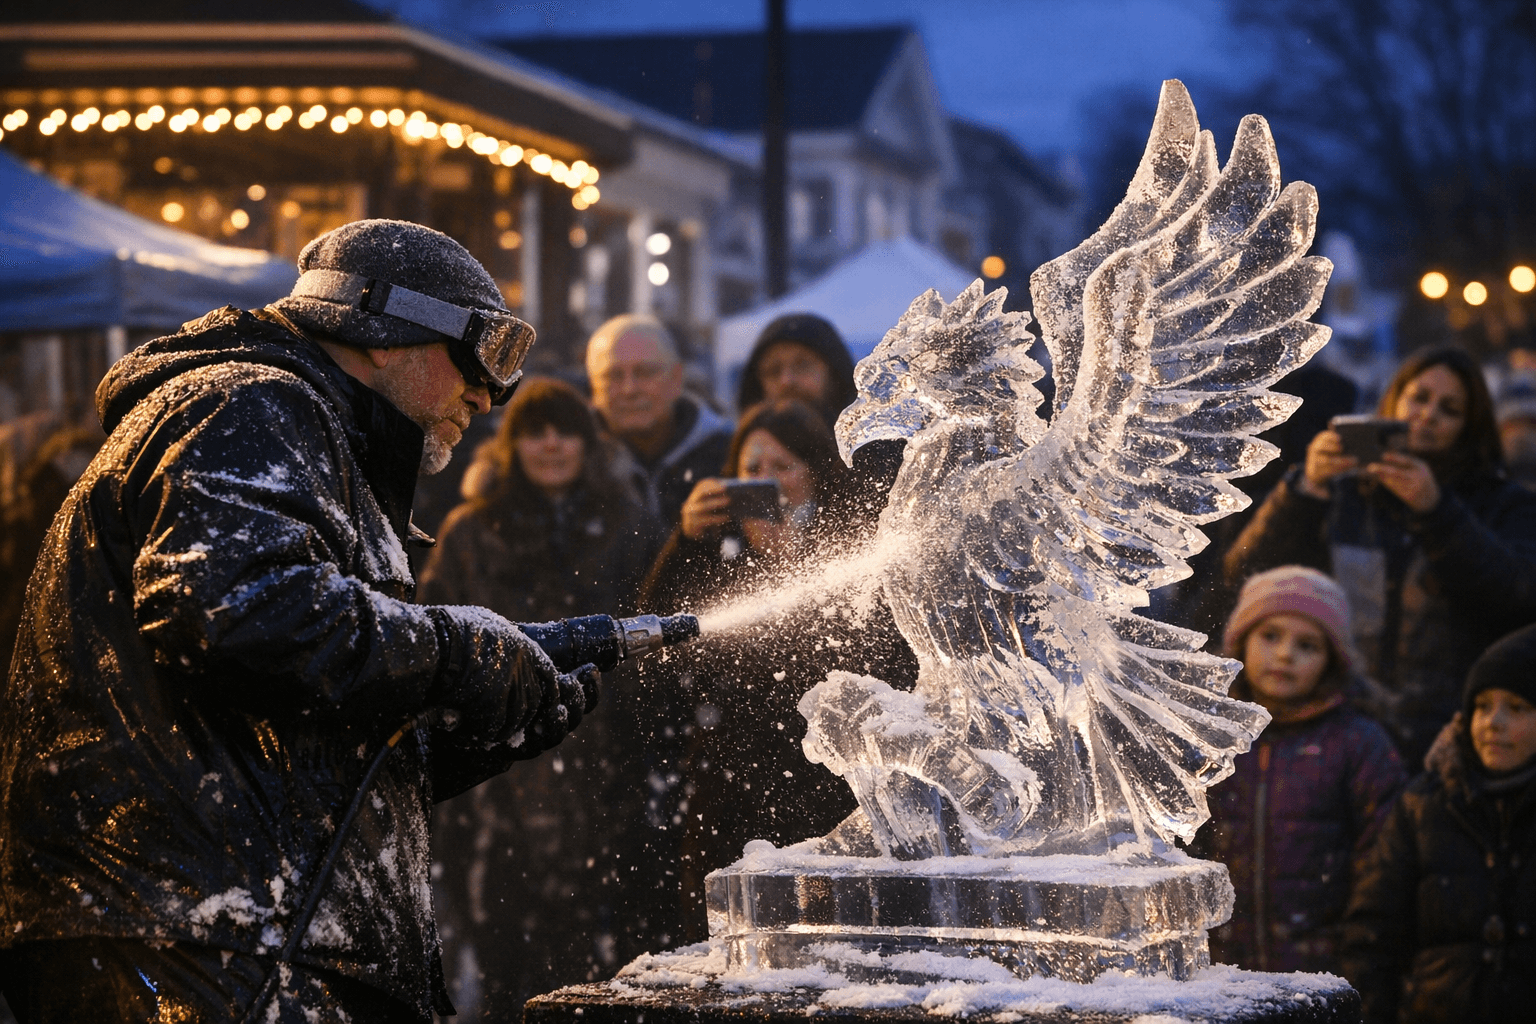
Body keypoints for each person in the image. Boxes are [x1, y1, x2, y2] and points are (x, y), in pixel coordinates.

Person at [0, 220, 600, 1023]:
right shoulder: (249, 404)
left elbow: (286, 730)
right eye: (478, 357)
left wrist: (473, 730)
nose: (488, 398)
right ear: (380, 332)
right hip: (195, 937)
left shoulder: (307, 437)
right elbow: (229, 611)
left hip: (229, 937)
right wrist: (461, 650)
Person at [416, 377, 668, 1018]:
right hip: (496, 773)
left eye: (565, 430)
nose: (551, 444)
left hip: (607, 762)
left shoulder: (629, 523)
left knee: (601, 957)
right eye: (535, 430)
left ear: (589, 441)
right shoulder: (471, 531)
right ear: (513, 445)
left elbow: (656, 624)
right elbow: (433, 633)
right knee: (502, 944)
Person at [640, 400, 918, 939]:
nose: (765, 482)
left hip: (829, 791)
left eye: (782, 467)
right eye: (750, 470)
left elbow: (873, 662)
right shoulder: (715, 554)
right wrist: (683, 542)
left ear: (816, 474)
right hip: (731, 792)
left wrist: (796, 561)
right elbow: (657, 659)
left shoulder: (850, 550)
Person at [1224, 345, 1536, 767]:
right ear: (1394, 400)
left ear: (1470, 425)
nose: (1427, 416)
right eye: (1419, 398)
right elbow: (1247, 575)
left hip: (1450, 738)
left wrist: (1437, 512)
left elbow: (1513, 598)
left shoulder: (1503, 505)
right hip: (1338, 732)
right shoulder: (1345, 493)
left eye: (1449, 409)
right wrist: (1305, 491)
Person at [1196, 566, 1404, 974]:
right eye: (1270, 636)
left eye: (1307, 645)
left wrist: (1361, 961)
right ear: (1241, 641)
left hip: (1320, 970)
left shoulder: (1358, 743)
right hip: (1217, 969)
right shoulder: (1210, 735)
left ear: (1331, 662)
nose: (1286, 654)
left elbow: (1383, 864)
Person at [1343, 622, 1536, 1024]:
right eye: (1482, 706)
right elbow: (1374, 936)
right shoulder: (1424, 806)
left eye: (1517, 708)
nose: (1493, 722)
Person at [585, 314, 732, 527]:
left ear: (676, 378)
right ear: (593, 389)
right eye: (613, 376)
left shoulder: (730, 455)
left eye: (644, 372)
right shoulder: (570, 462)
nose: (630, 389)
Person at [735, 313, 857, 424]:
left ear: (834, 373)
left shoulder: (869, 445)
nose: (786, 381)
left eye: (803, 365)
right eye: (773, 371)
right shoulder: (740, 447)